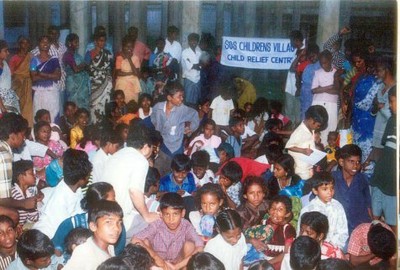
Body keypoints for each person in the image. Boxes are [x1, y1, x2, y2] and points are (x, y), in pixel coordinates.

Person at [102, 124, 158, 238]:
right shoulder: (141, 160)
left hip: (104, 214)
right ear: (147, 147)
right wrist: (147, 215)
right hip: (119, 220)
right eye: (153, 148)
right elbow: (134, 191)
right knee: (158, 223)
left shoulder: (119, 154)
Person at [51, 182, 126, 257]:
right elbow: (56, 246)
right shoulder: (72, 223)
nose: (116, 202)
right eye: (113, 200)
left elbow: (118, 253)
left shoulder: (117, 226)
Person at [132, 192, 204, 269]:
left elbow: (200, 247)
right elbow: (135, 239)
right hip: (157, 264)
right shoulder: (157, 224)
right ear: (161, 214)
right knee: (144, 242)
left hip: (178, 264)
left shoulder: (186, 225)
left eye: (175, 214)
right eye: (167, 214)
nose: (171, 219)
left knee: (190, 245)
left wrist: (176, 267)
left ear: (183, 213)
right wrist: (157, 259)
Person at [33, 149, 92, 239]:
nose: (89, 178)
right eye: (88, 176)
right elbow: (63, 231)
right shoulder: (60, 200)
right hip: (49, 237)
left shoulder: (76, 188)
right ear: (81, 180)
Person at [151, 81, 199, 176]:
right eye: (179, 96)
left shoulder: (183, 109)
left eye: (182, 96)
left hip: (177, 148)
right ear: (169, 98)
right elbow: (153, 119)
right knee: (158, 172)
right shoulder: (158, 108)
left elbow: (195, 115)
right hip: (163, 146)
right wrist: (158, 129)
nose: (182, 99)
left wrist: (190, 128)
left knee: (175, 173)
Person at [63, 200, 123, 270]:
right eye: (108, 222)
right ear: (93, 226)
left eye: (119, 223)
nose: (116, 228)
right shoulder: (84, 252)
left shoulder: (109, 246)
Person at [0, 113, 36, 225]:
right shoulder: (3, 155)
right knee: (14, 215)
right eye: (23, 134)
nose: (24, 138)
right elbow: (3, 200)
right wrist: (24, 203)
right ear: (12, 136)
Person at [351, 51, 382, 178]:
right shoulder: (361, 77)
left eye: (360, 62)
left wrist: (356, 105)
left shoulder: (378, 82)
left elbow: (368, 103)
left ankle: (367, 182)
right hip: (357, 121)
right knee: (357, 153)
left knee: (368, 153)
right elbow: (353, 95)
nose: (358, 65)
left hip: (369, 122)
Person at [369, 86, 396, 232]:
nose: (390, 106)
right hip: (380, 175)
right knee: (375, 216)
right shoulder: (392, 120)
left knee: (393, 221)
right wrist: (372, 161)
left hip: (392, 181)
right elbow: (383, 148)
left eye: (392, 102)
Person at [298, 172, 348, 250]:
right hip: (311, 248)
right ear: (315, 191)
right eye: (325, 189)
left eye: (332, 188)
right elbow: (301, 233)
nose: (330, 192)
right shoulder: (308, 209)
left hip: (333, 247)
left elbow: (343, 231)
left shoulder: (337, 206)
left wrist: (333, 247)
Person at [244, 195, 296, 269]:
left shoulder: (287, 229)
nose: (275, 212)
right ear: (268, 210)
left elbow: (286, 253)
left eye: (280, 210)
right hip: (261, 260)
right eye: (273, 208)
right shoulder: (263, 223)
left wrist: (267, 263)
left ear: (287, 214)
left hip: (278, 264)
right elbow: (248, 237)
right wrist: (252, 240)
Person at [332, 144, 372, 236]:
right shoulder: (332, 178)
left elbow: (368, 205)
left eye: (358, 162)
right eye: (351, 162)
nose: (355, 166)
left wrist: (372, 223)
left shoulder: (363, 179)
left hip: (360, 226)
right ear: (341, 162)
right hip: (338, 228)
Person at [285, 105, 328, 180]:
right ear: (311, 120)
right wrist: (303, 151)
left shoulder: (310, 129)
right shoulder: (300, 131)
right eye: (318, 126)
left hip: (308, 167)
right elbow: (289, 146)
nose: (318, 128)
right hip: (300, 170)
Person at [30, 35, 61, 122]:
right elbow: (34, 78)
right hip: (39, 93)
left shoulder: (54, 60)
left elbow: (58, 76)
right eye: (43, 42)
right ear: (38, 44)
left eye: (47, 42)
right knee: (39, 116)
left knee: (53, 115)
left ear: (50, 44)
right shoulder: (34, 60)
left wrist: (41, 73)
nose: (45, 44)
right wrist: (50, 75)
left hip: (52, 93)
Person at [311, 50, 339, 145]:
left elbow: (338, 91)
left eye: (325, 63)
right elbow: (314, 90)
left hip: (331, 104)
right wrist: (330, 87)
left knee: (330, 127)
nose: (323, 65)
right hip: (318, 102)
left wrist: (321, 88)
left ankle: (327, 150)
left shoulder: (336, 73)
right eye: (321, 63)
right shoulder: (317, 73)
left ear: (330, 60)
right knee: (316, 127)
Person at [85, 31, 113, 123]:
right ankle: (94, 125)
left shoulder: (108, 53)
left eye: (104, 41)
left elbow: (111, 68)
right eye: (100, 41)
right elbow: (86, 68)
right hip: (94, 84)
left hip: (106, 84)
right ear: (95, 42)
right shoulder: (89, 54)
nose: (103, 43)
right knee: (94, 105)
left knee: (105, 105)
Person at [9, 36, 33, 125]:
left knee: (27, 108)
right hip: (18, 86)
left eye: (27, 43)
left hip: (29, 85)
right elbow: (12, 74)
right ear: (19, 44)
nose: (25, 45)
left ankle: (28, 125)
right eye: (23, 43)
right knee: (18, 107)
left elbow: (33, 70)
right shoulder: (14, 58)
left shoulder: (31, 57)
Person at [63, 33, 90, 110]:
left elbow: (84, 68)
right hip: (74, 86)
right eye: (75, 42)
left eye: (78, 42)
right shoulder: (68, 55)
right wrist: (85, 63)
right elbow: (76, 69)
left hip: (81, 86)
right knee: (75, 107)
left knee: (83, 108)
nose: (78, 44)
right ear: (69, 43)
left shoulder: (77, 55)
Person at [285, 30, 306, 127]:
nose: (290, 43)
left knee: (297, 112)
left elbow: (293, 69)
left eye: (291, 41)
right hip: (290, 86)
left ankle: (294, 133)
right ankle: (287, 132)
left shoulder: (305, 52)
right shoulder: (295, 51)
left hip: (298, 87)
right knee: (288, 111)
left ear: (296, 40)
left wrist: (300, 56)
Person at [11, 160, 40, 225]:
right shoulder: (14, 194)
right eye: (31, 173)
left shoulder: (28, 193)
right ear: (21, 177)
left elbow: (33, 217)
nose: (34, 176)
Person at [115, 35, 142, 103]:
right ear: (123, 47)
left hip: (133, 85)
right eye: (127, 46)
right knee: (122, 102)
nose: (129, 49)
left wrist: (129, 59)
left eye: (131, 47)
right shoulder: (119, 58)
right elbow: (118, 72)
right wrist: (130, 73)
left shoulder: (135, 58)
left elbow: (137, 73)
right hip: (122, 84)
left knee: (132, 103)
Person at [300, 44, 320, 120]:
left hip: (314, 97)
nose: (312, 59)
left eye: (313, 56)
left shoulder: (321, 66)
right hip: (305, 98)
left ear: (318, 53)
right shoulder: (308, 67)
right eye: (310, 57)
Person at [182, 33, 202, 107]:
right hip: (189, 79)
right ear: (188, 42)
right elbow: (189, 66)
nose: (193, 42)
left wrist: (196, 65)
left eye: (195, 41)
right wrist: (197, 65)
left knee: (197, 101)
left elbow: (201, 66)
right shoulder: (185, 52)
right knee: (188, 101)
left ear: (197, 42)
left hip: (198, 79)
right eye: (192, 41)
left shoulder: (199, 53)